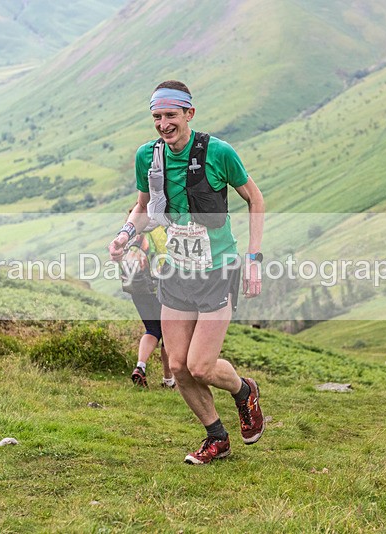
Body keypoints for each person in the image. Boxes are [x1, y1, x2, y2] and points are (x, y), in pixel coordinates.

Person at [109, 80, 265, 465]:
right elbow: (143, 206)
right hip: (176, 271)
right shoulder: (148, 157)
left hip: (217, 269)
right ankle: (217, 437)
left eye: (171, 115)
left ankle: (244, 391)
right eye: (157, 117)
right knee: (178, 366)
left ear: (189, 114)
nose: (163, 124)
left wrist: (254, 259)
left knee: (201, 366)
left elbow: (255, 199)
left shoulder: (219, 153)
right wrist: (125, 235)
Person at [120, 218, 175, 389]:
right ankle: (168, 380)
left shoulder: (129, 236)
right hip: (158, 288)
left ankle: (140, 366)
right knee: (167, 334)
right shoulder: (159, 232)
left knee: (152, 329)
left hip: (138, 290)